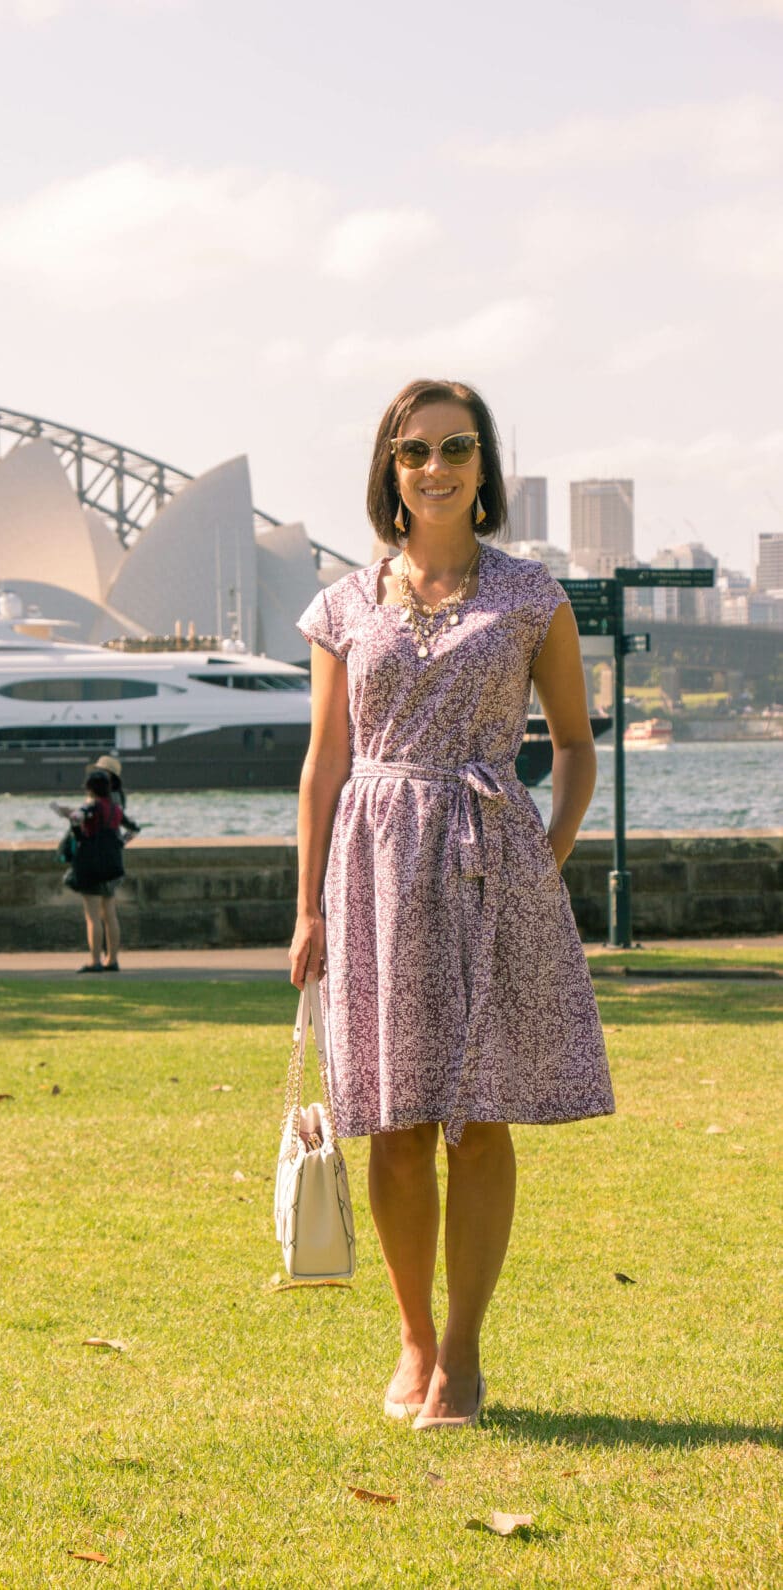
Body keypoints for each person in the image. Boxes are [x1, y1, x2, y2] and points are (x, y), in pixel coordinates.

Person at [289, 378, 614, 1431]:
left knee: (476, 1119)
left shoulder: (531, 597)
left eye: (456, 447)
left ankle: (463, 1355)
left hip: (486, 861)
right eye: (413, 449)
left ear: (484, 467)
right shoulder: (343, 603)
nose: (435, 466)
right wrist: (306, 909)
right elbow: (323, 762)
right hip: (372, 868)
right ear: (390, 468)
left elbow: (571, 743)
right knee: (391, 1118)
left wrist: (544, 855)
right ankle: (412, 1339)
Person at [54, 769, 126, 973]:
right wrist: (122, 842)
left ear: (90, 789)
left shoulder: (91, 806)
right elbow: (133, 828)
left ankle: (95, 960)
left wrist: (70, 818)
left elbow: (79, 819)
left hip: (92, 867)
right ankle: (112, 959)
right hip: (112, 866)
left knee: (92, 916)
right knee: (110, 915)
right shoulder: (115, 808)